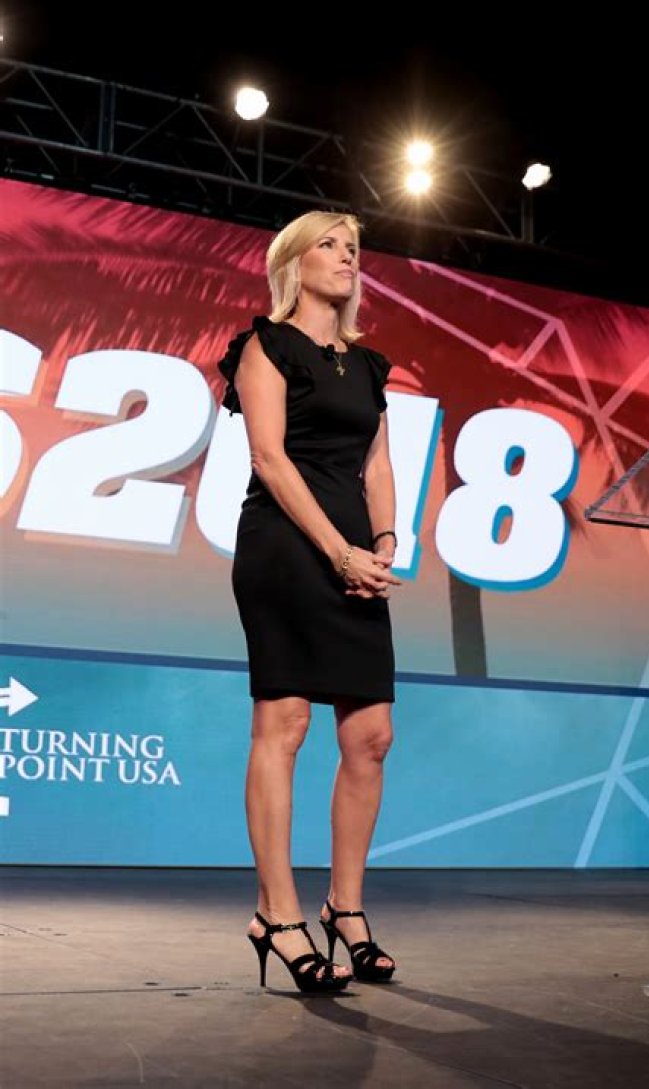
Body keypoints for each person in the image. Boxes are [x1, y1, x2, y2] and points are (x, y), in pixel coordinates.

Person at [217, 210, 403, 994]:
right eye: (329, 244)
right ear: (294, 262)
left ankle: (345, 908)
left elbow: (377, 464)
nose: (346, 256)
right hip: (287, 550)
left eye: (352, 247)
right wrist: (337, 551)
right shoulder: (266, 345)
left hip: (357, 555)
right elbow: (269, 456)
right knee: (285, 724)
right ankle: (279, 914)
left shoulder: (368, 367)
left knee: (371, 735)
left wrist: (384, 544)